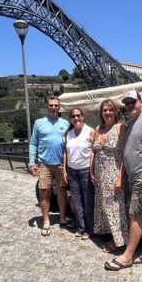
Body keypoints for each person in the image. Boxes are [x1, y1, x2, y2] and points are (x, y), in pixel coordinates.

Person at [104, 90, 142, 271]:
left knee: (135, 215)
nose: (130, 105)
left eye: (133, 101)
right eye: (127, 103)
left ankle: (127, 257)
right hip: (136, 176)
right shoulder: (131, 124)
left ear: (141, 102)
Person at [29, 95, 72, 236]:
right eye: (51, 105)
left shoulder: (65, 123)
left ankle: (62, 218)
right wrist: (31, 162)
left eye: (56, 105)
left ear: (59, 107)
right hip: (44, 164)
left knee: (61, 191)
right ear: (47, 107)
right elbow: (33, 143)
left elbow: (70, 143)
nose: (54, 108)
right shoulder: (39, 123)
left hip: (61, 164)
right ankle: (46, 221)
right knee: (45, 192)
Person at [91, 99, 128, 252]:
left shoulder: (120, 128)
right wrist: (91, 171)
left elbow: (125, 154)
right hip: (100, 176)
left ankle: (120, 240)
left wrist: (120, 177)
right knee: (103, 207)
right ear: (101, 113)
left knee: (115, 208)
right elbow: (94, 152)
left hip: (113, 175)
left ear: (115, 112)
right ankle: (110, 233)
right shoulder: (98, 128)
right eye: (104, 110)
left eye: (110, 110)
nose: (107, 113)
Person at [63, 107, 95, 240]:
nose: (76, 118)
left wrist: (92, 170)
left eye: (78, 116)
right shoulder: (69, 134)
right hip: (72, 171)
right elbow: (66, 152)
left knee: (88, 201)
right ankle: (80, 227)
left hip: (85, 170)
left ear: (83, 117)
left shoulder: (90, 131)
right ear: (70, 119)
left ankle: (89, 229)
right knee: (76, 201)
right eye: (73, 116)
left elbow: (94, 152)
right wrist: (64, 170)